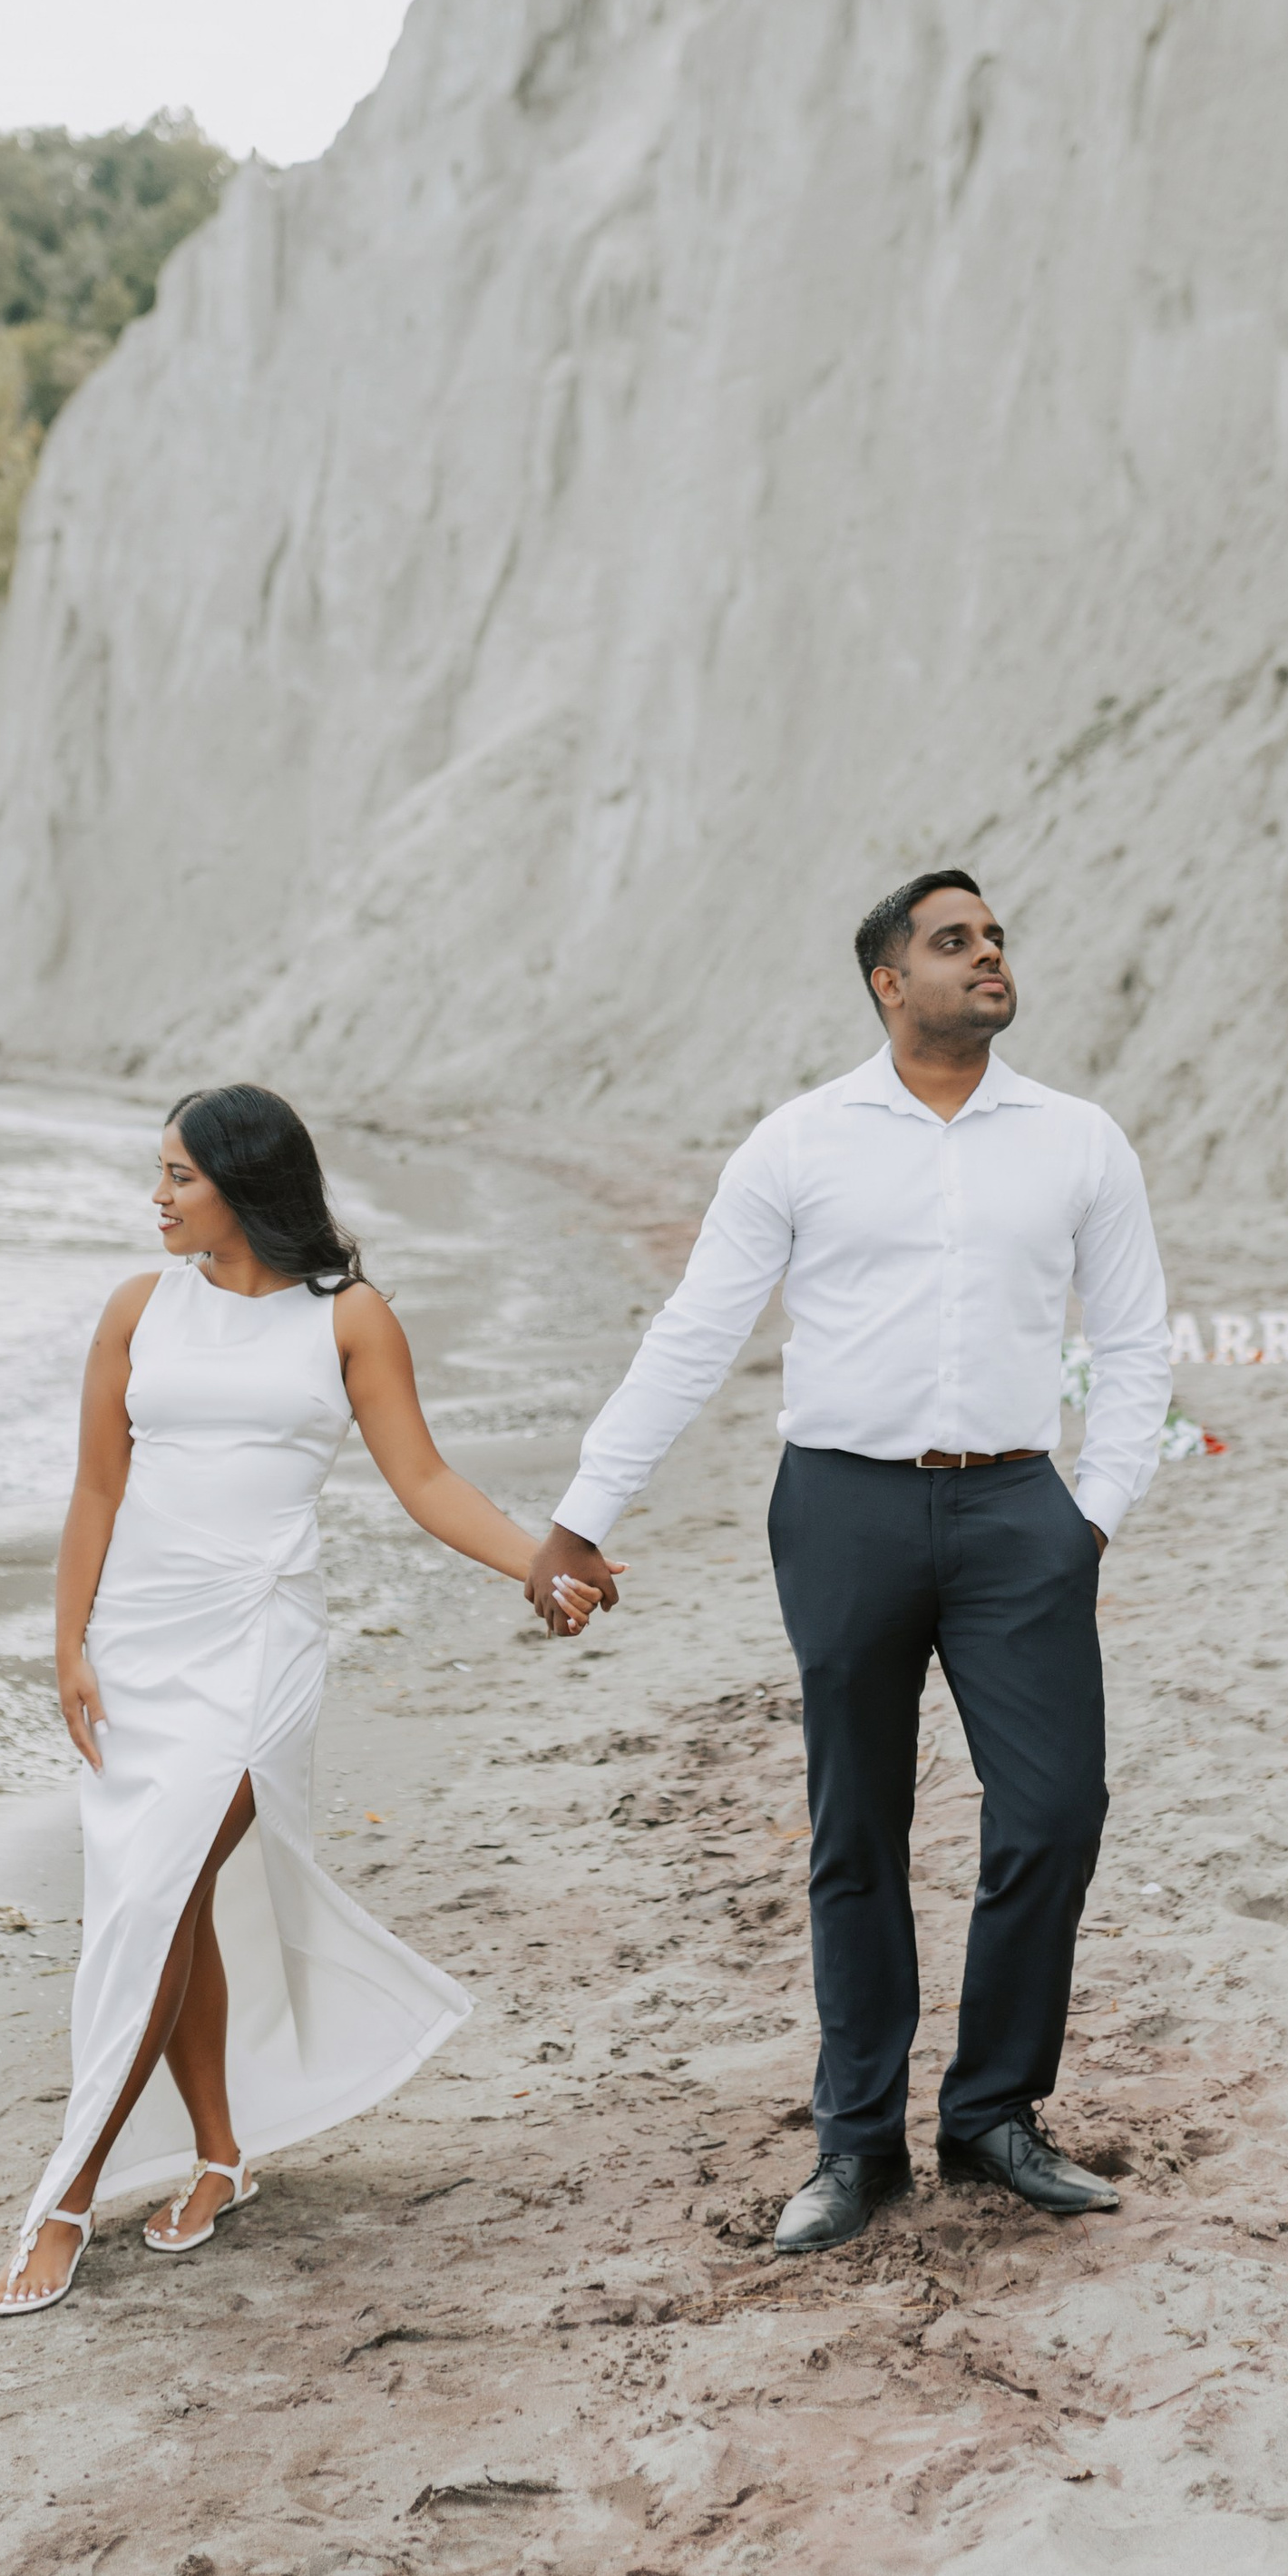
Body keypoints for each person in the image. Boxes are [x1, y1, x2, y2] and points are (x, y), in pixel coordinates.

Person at [525, 872, 1170, 2251]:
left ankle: (995, 2115)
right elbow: (696, 1330)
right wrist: (587, 1511)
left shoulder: (1078, 1141)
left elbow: (1133, 1346)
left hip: (1016, 1516)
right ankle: (858, 2142)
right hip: (841, 1512)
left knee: (1055, 1813)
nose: (987, 956)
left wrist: (1090, 1512)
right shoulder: (800, 1144)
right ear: (889, 981)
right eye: (955, 943)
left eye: (994, 939)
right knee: (855, 1830)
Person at [0, 1083, 608, 2315]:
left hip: (260, 1642)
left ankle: (66, 2191)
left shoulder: (350, 1318)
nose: (154, 1198)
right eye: (156, 1174)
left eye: (178, 1176)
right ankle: (219, 2155)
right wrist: (68, 1644)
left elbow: (421, 1477)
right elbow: (97, 1494)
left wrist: (541, 1556)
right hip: (141, 1645)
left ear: (247, 1185)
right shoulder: (134, 1312)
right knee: (160, 1897)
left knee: (155, 1901)